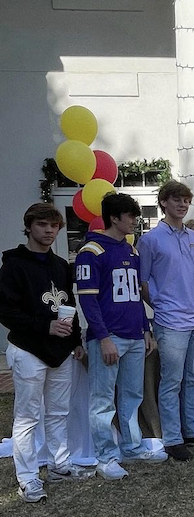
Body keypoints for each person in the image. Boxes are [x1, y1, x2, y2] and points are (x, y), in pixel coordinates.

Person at [0, 204, 92, 502]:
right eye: (42, 225)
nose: (49, 230)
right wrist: (45, 327)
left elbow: (68, 307)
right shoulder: (13, 265)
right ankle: (27, 478)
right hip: (28, 349)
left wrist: (75, 339)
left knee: (58, 412)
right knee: (27, 417)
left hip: (62, 350)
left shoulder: (61, 266)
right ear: (29, 226)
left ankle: (59, 465)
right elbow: (5, 311)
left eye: (54, 226)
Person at [76, 193, 167, 480]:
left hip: (134, 335)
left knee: (132, 394)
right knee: (103, 399)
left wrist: (146, 329)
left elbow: (136, 297)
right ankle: (105, 457)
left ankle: (131, 446)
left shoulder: (132, 251)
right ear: (114, 218)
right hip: (109, 336)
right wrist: (102, 338)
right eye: (130, 216)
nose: (135, 222)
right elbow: (88, 300)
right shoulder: (91, 251)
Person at [138, 180, 194, 462]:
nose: (182, 205)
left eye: (186, 200)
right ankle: (173, 438)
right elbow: (143, 281)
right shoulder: (150, 240)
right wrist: (160, 305)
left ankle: (192, 431)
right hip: (170, 322)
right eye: (176, 200)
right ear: (164, 202)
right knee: (171, 381)